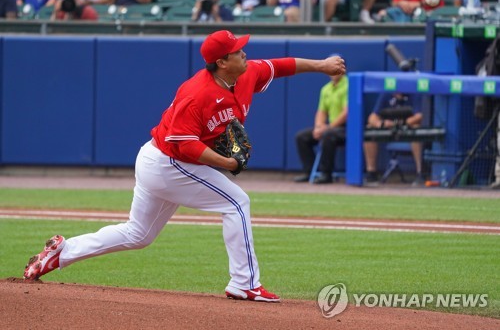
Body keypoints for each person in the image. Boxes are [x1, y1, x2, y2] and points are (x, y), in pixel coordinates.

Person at [22, 29, 346, 303]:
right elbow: (184, 143)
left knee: (139, 234)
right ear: (222, 62)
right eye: (237, 51)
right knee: (237, 202)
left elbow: (281, 65)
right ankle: (244, 283)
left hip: (164, 161)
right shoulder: (197, 93)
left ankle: (61, 253)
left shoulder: (246, 74)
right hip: (168, 161)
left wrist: (322, 65)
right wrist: (226, 162)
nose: (244, 53)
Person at [294, 74, 348, 184]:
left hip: (347, 128)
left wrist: (328, 127)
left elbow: (346, 113)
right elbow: (321, 112)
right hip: (329, 127)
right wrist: (318, 127)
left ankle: (326, 174)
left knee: (328, 135)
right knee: (301, 137)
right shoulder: (326, 89)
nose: (334, 73)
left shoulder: (348, 86)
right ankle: (309, 172)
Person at [363, 92, 424, 186]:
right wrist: (381, 124)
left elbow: (419, 116)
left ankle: (420, 173)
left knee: (416, 127)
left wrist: (401, 123)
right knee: (370, 129)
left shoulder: (413, 93)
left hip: (407, 129)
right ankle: (372, 173)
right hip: (389, 131)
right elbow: (372, 117)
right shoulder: (386, 94)